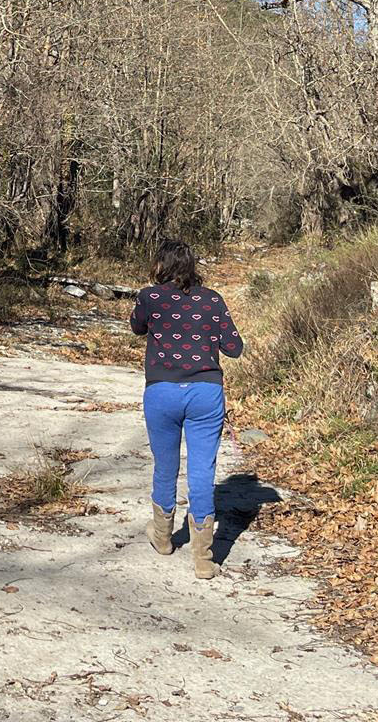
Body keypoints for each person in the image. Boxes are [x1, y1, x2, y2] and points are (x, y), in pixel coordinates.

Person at [129, 239, 244, 579]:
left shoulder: (149, 296)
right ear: (193, 266)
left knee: (165, 466)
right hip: (205, 394)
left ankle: (163, 538)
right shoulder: (212, 300)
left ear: (160, 265)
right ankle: (204, 559)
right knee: (202, 472)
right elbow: (234, 348)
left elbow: (137, 326)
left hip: (162, 391)